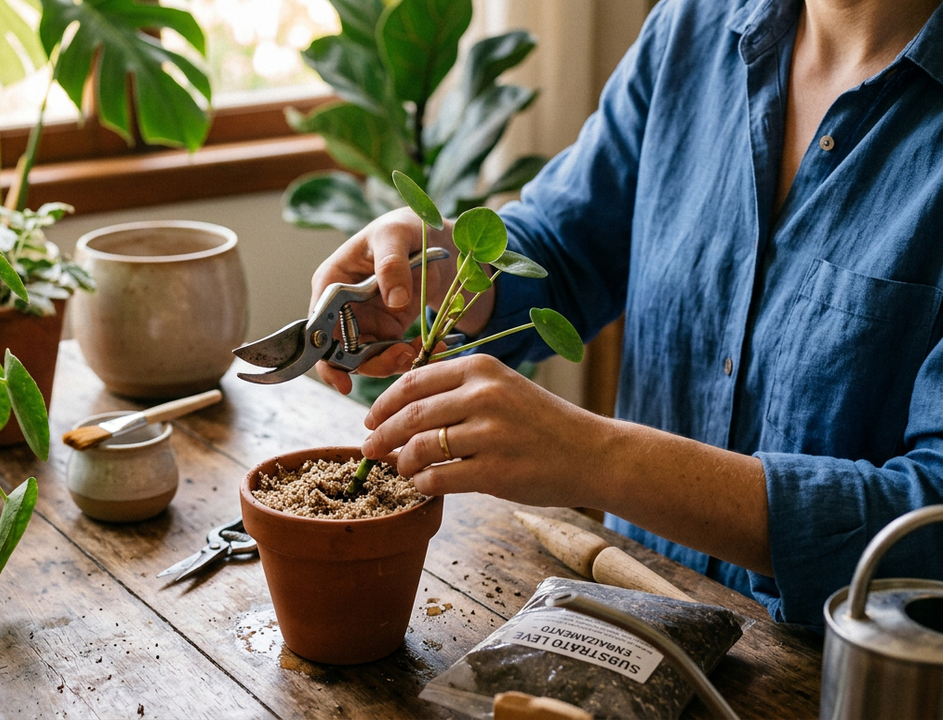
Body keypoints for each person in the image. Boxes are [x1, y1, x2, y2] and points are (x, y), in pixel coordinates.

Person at [310, 0, 943, 630]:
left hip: (842, 677)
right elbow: (567, 245)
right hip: (631, 619)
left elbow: (929, 521)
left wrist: (598, 458)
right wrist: (447, 271)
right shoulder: (691, 27)